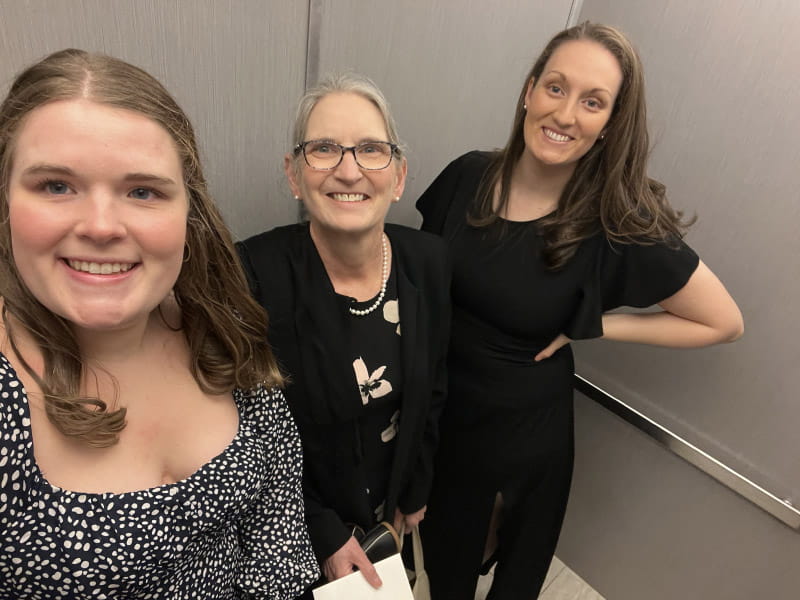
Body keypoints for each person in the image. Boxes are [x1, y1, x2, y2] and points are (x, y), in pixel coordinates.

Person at [416, 22, 744, 599]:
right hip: (445, 420)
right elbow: (422, 287)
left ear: (610, 123)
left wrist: (595, 325)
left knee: (508, 581)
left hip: (521, 441)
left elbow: (722, 321)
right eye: (556, 88)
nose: (566, 114)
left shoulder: (612, 223)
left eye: (593, 102)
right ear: (529, 90)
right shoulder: (467, 173)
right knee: (444, 575)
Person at [0, 49, 318, 599]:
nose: (101, 226)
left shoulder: (219, 325)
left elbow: (277, 521)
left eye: (142, 191)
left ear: (188, 212)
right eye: (56, 185)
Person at [237, 73, 450, 592]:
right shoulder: (253, 273)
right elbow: (242, 438)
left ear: (399, 177)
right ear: (293, 174)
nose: (349, 170)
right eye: (324, 149)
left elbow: (434, 382)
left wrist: (414, 490)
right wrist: (323, 534)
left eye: (371, 150)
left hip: (390, 512)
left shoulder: (428, 259)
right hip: (300, 526)